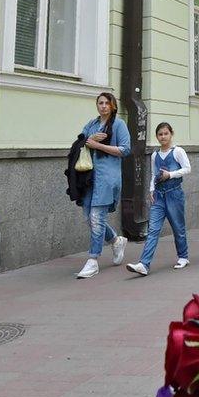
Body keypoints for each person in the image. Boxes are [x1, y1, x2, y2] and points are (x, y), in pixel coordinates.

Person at [76, 92, 131, 279]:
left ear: (113, 105)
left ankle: (93, 260)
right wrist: (90, 140)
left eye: (107, 103)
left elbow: (125, 150)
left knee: (97, 217)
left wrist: (99, 146)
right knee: (88, 217)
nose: (104, 106)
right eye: (100, 103)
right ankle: (116, 240)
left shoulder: (118, 124)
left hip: (107, 177)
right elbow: (79, 142)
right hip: (89, 177)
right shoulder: (91, 124)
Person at [126, 122, 190, 276]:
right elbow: (154, 174)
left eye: (165, 133)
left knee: (178, 227)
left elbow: (187, 168)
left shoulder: (178, 151)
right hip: (159, 197)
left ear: (171, 134)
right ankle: (144, 264)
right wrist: (151, 190)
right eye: (160, 134)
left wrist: (171, 174)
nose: (163, 137)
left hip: (174, 194)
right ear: (157, 136)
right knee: (153, 230)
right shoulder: (155, 155)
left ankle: (183, 257)